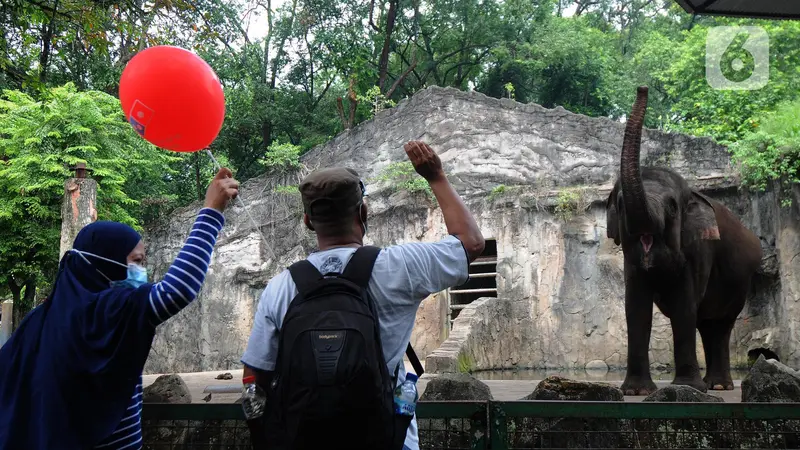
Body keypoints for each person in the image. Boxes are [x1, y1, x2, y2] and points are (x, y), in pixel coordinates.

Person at [240, 141, 485, 450]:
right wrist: (435, 176)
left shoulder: (281, 287)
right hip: (387, 440)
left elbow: (254, 377)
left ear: (307, 221)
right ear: (363, 211)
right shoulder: (400, 267)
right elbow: (472, 243)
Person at [0, 167, 240, 450]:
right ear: (105, 264)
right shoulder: (106, 313)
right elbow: (178, 289)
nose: (142, 270)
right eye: (136, 261)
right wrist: (211, 210)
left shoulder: (38, 322)